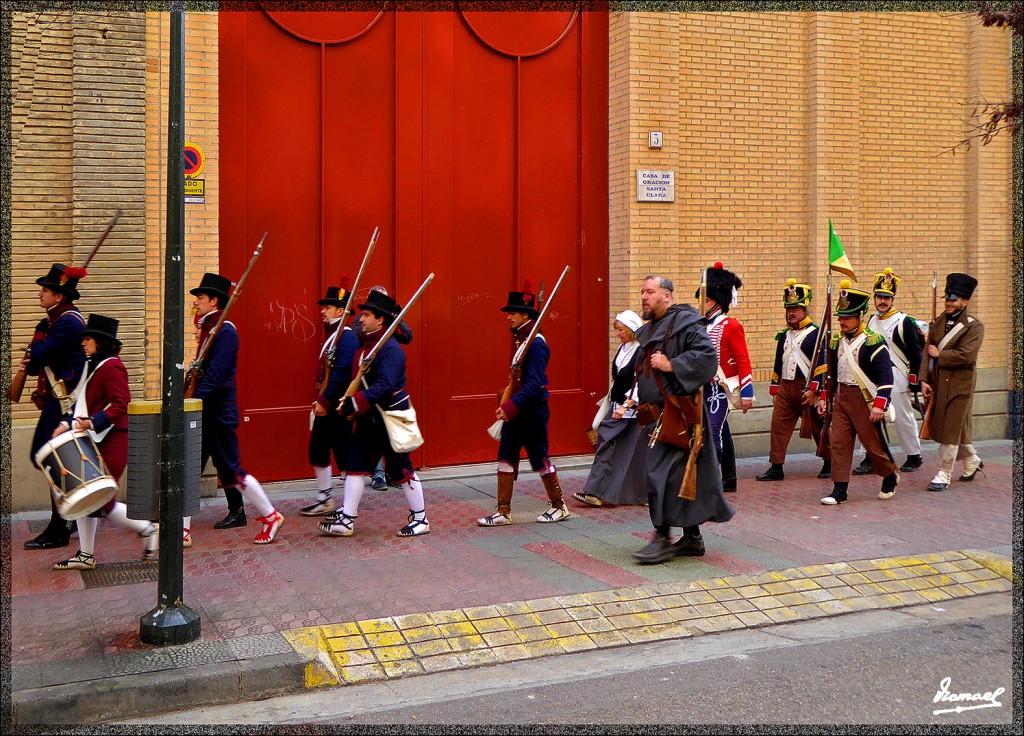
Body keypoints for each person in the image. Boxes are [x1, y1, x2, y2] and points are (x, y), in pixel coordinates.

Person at [631, 275, 733, 564]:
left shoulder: (686, 323)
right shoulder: (651, 328)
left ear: (667, 295)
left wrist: (671, 364)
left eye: (650, 292)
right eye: (642, 292)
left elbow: (706, 358)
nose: (644, 297)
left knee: (660, 476)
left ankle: (662, 538)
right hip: (657, 417)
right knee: (678, 477)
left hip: (680, 417)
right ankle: (693, 537)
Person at [319, 289, 429, 537]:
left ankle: (421, 518)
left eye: (366, 315)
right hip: (370, 419)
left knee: (402, 469)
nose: (361, 319)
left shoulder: (391, 349)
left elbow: (385, 385)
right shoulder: (367, 345)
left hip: (390, 418)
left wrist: (354, 403)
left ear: (380, 319)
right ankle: (346, 519)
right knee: (356, 465)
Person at [183, 273, 284, 545]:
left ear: (214, 301)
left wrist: (192, 405)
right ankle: (182, 530)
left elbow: (214, 376)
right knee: (189, 467)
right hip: (205, 411)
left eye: (200, 298)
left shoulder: (225, 331)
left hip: (217, 413)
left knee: (233, 471)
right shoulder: (209, 328)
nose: (196, 303)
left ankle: (271, 515)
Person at [51, 314, 159, 569]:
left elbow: (122, 403)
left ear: (99, 341)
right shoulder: (94, 364)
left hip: (114, 438)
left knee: (98, 498)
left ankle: (146, 528)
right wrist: (66, 424)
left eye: (87, 338)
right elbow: (83, 405)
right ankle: (85, 555)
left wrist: (93, 422)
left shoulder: (112, 366)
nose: (83, 343)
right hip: (96, 438)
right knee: (85, 496)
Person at [478, 280, 571, 526]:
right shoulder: (520, 338)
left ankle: (559, 506)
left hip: (532, 410)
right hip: (517, 409)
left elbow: (533, 385)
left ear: (524, 315)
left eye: (512, 313)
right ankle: (503, 511)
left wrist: (509, 407)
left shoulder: (537, 344)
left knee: (539, 458)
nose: (508, 317)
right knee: (505, 457)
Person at [816, 281, 900, 505]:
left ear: (859, 316)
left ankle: (889, 474)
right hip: (842, 398)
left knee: (873, 446)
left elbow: (885, 377)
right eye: (841, 317)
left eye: (847, 317)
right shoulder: (835, 342)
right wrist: (825, 398)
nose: (842, 321)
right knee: (839, 444)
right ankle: (839, 491)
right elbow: (830, 375)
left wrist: (879, 404)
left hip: (864, 400)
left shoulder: (873, 341)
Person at [23, 263, 88, 550]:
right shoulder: (58, 320)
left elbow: (38, 358)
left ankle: (60, 527)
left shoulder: (66, 323)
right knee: (52, 461)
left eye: (45, 291)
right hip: (57, 401)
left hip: (63, 405)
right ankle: (66, 520)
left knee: (51, 460)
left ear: (59, 297)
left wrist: (37, 340)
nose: (40, 295)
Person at [851, 267, 924, 475]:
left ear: (893, 299)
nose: (882, 301)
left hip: (898, 376)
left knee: (903, 418)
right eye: (879, 297)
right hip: (875, 378)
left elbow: (915, 354)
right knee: (871, 416)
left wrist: (914, 379)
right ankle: (871, 457)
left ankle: (913, 455)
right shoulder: (872, 321)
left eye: (887, 297)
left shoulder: (904, 322)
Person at [756, 279, 831, 482]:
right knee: (778, 427)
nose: (792, 312)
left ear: (805, 309)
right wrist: (774, 390)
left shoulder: (816, 334)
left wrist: (814, 390)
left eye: (796, 308)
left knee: (818, 426)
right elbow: (778, 364)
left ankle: (829, 462)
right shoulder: (784, 336)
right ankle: (776, 466)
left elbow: (822, 365)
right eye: (789, 308)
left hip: (806, 388)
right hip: (786, 388)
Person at [574, 310, 647, 507]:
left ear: (631, 330)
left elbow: (642, 381)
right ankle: (635, 494)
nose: (618, 333)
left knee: (611, 444)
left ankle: (595, 491)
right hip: (617, 405)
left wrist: (627, 404)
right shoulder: (623, 349)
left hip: (629, 409)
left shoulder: (641, 351)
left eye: (621, 330)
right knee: (624, 450)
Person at [920, 273, 985, 492]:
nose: (949, 302)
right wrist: (924, 380)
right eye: (947, 298)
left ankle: (944, 473)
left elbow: (967, 355)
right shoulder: (937, 322)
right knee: (951, 427)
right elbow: (926, 353)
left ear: (964, 301)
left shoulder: (974, 326)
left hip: (960, 384)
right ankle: (972, 461)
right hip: (939, 382)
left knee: (950, 428)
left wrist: (941, 355)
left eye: (954, 299)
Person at [300, 278, 357, 516]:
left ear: (341, 310)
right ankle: (325, 499)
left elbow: (342, 374)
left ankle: (347, 504)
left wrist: (325, 401)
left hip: (338, 407)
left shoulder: (347, 337)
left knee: (345, 455)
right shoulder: (332, 335)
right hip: (326, 403)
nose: (322, 310)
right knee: (318, 450)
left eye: (328, 307)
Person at [697, 262, 754, 493]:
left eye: (707, 300)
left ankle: (710, 482)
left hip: (721, 388)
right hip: (703, 388)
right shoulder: (700, 325)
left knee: (712, 433)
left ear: (718, 301)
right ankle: (729, 479)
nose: (702, 304)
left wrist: (747, 393)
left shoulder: (730, 326)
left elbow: (743, 360)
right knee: (722, 431)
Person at [365, 285, 414, 492]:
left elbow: (407, 336)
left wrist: (395, 317)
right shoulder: (365, 321)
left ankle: (394, 474)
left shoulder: (392, 328)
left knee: (397, 448)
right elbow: (361, 333)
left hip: (389, 388)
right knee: (368, 442)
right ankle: (377, 473)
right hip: (371, 383)